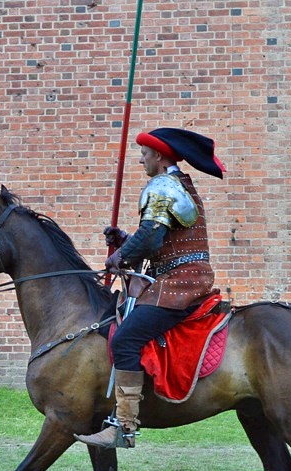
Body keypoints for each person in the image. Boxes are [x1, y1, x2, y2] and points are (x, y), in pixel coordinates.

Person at [75, 127, 225, 449]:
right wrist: (126, 242)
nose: (141, 159)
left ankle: (124, 428)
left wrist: (120, 256)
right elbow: (164, 242)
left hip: (179, 284)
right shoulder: (180, 184)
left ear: (158, 155)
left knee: (126, 339)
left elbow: (152, 238)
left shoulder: (162, 186)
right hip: (179, 277)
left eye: (144, 153)